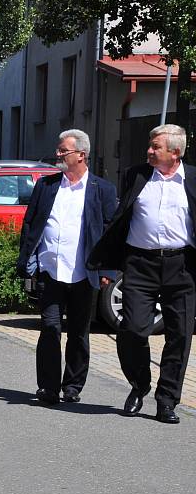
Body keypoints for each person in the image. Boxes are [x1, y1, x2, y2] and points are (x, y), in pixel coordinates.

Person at [88, 124, 195, 424]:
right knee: (133, 329)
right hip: (140, 263)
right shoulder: (136, 175)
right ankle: (139, 383)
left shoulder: (192, 179)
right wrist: (110, 263)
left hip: (181, 265)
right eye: (150, 145)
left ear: (175, 152)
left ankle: (167, 400)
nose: (149, 150)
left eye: (155, 147)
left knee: (180, 335)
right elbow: (120, 219)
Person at [17, 129, 117, 405]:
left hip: (83, 274)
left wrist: (107, 270)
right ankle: (48, 386)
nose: (58, 154)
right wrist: (27, 260)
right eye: (59, 150)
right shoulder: (46, 187)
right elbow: (30, 224)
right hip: (50, 271)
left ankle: (72, 386)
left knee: (78, 332)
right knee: (50, 328)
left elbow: (110, 232)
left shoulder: (102, 190)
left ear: (81, 155)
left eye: (64, 151)